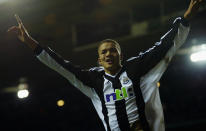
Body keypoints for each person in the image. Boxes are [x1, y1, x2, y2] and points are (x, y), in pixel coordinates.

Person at [7, 0, 203, 131]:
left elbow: (165, 45)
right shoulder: (93, 81)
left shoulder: (138, 68)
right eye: (104, 52)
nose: (109, 53)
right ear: (99, 60)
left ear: (120, 55)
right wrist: (31, 42)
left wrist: (186, 18)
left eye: (113, 50)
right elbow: (60, 65)